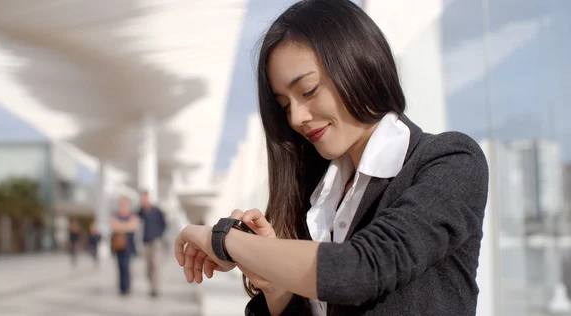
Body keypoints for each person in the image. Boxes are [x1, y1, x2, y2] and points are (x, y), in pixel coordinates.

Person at [174, 1, 489, 315]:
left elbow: (361, 269)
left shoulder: (450, 162)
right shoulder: (318, 196)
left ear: (358, 63)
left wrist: (225, 241)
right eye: (285, 106)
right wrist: (275, 284)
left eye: (308, 90)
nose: (296, 118)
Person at [137, 190, 167, 297]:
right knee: (148, 266)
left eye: (145, 198)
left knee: (155, 264)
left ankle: (154, 288)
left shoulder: (157, 211)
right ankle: (151, 284)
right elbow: (135, 221)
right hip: (146, 241)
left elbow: (164, 224)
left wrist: (159, 234)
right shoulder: (141, 211)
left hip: (155, 241)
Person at [110, 195, 138, 296]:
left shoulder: (132, 215)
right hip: (118, 245)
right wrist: (125, 226)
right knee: (120, 266)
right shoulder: (116, 215)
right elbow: (113, 226)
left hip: (128, 245)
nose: (124, 206)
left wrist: (120, 227)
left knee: (126, 265)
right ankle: (121, 287)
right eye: (122, 204)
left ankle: (126, 287)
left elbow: (133, 226)